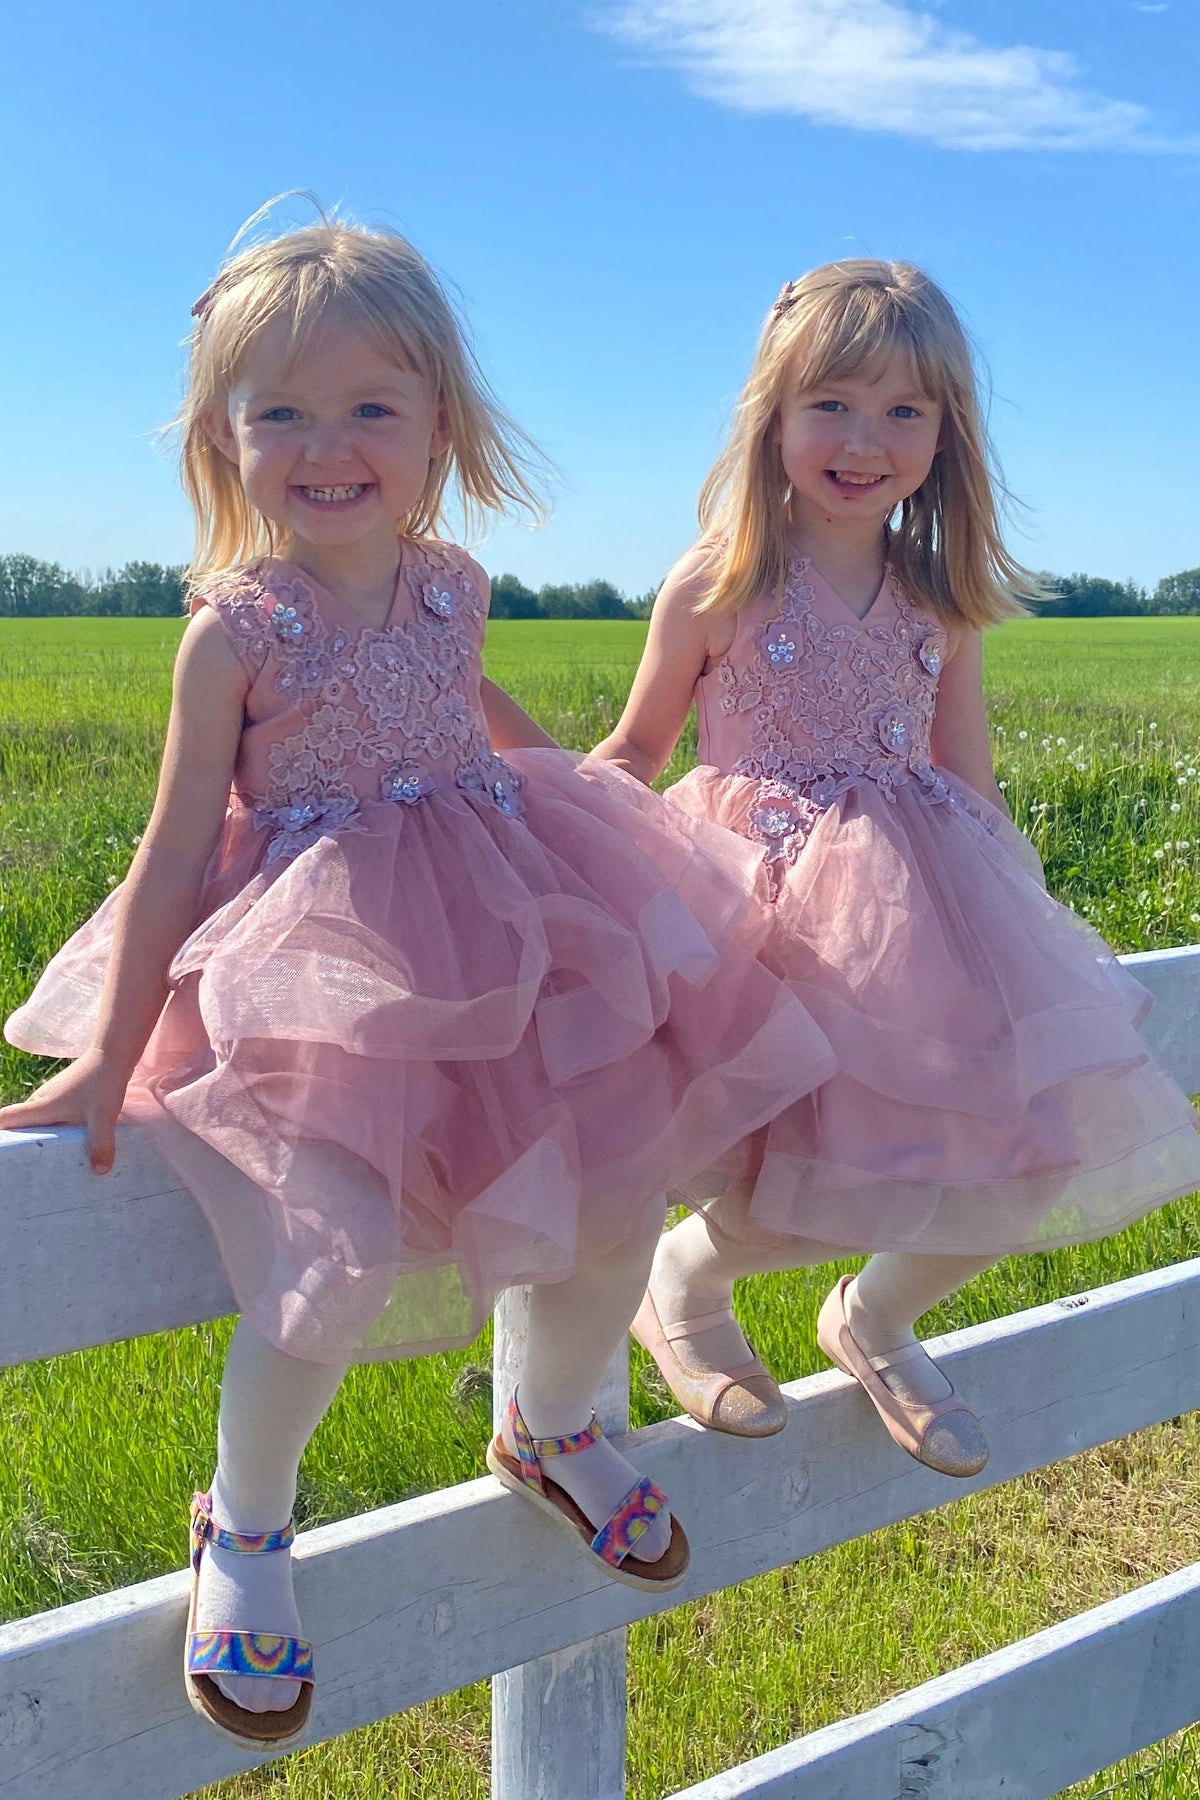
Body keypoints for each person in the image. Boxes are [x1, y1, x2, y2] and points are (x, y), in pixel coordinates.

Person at [0, 211, 833, 1751]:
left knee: (613, 1191)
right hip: (318, 964)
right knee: (329, 1250)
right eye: (282, 413)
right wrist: (114, 1054)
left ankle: (556, 1421)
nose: (329, 447)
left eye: (371, 407)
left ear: (438, 426)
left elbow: (475, 707)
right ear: (222, 437)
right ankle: (246, 1523)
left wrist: (595, 798)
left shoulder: (452, 580)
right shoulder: (233, 634)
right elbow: (174, 852)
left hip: (503, 911)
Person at [592, 258, 1200, 1468]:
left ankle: (873, 1318)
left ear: (945, 432)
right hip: (762, 911)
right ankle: (682, 1289)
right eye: (832, 402)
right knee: (780, 1173)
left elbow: (967, 780)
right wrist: (538, 835)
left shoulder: (940, 599)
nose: (864, 440)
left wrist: (1025, 939)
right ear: (773, 410)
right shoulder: (719, 579)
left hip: (923, 907)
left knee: (1025, 1145)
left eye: (902, 410)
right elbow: (638, 748)